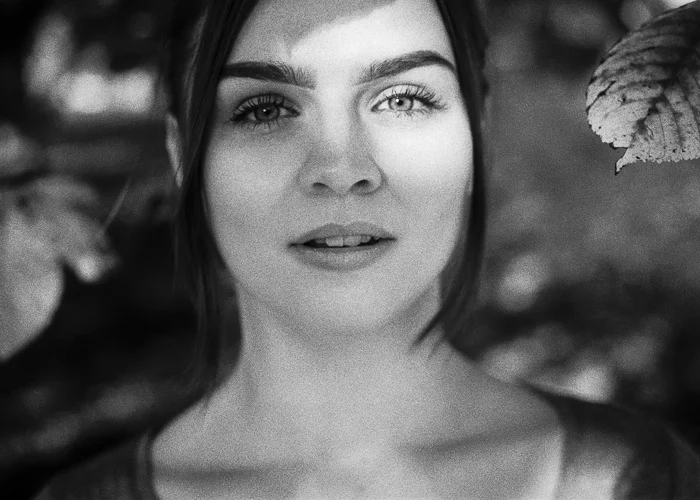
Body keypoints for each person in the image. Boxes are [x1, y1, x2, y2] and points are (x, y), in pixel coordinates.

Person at [33, 0, 700, 498]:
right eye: (264, 109)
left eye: (403, 99)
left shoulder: (639, 481)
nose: (341, 167)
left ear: (476, 132)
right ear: (185, 158)